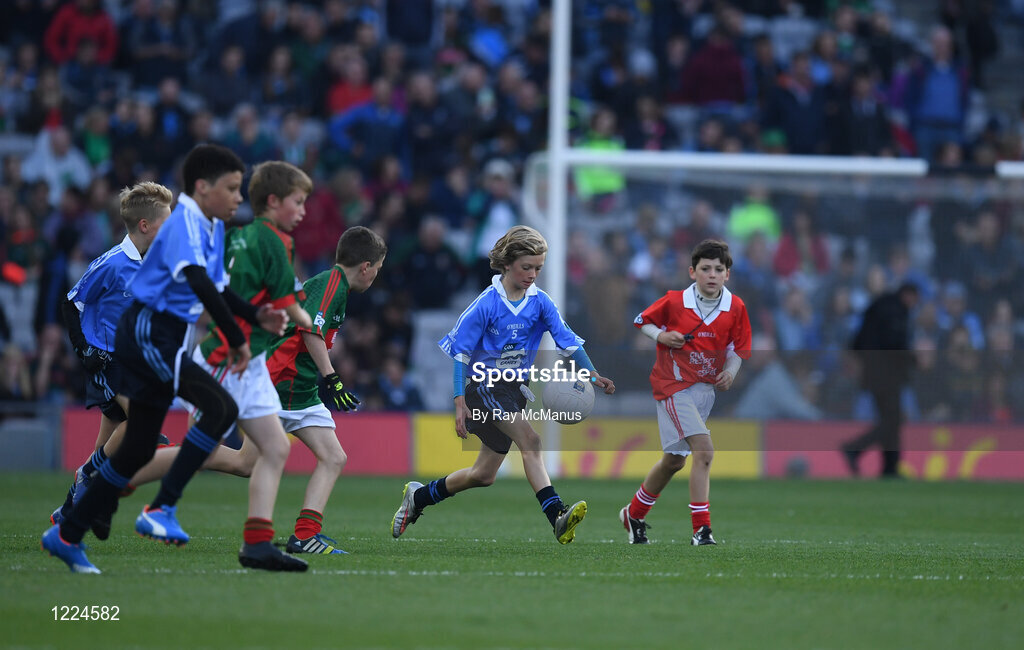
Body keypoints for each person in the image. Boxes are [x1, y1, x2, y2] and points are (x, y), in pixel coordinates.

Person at [41, 144, 289, 574]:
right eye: (231, 188)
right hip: (147, 334)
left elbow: (218, 289)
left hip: (163, 339)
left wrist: (254, 316)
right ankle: (161, 509)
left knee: (137, 446)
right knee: (220, 409)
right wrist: (236, 335)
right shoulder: (184, 226)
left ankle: (66, 532)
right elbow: (197, 282)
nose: (237, 197)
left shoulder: (208, 229)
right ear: (202, 187)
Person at [391, 225, 616, 544]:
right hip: (483, 389)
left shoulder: (540, 302)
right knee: (532, 440)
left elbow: (568, 341)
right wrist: (459, 401)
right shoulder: (486, 304)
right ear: (507, 263)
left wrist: (593, 374)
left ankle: (419, 498)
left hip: (513, 392)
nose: (533, 274)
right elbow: (461, 354)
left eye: (538, 268)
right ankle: (557, 517)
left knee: (482, 475)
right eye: (527, 267)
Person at [185, 160, 313, 571]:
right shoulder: (276, 242)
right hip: (229, 355)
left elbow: (233, 292)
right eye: (299, 201)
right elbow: (290, 305)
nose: (304, 210)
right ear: (274, 202)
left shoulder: (238, 235)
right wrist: (311, 324)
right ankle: (115, 478)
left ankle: (257, 544)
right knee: (199, 451)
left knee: (273, 449)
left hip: (245, 354)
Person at [49, 182, 173, 533]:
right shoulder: (113, 263)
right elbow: (72, 302)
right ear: (146, 226)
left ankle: (72, 508)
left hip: (134, 362)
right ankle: (94, 481)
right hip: (107, 360)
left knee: (109, 443)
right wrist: (84, 351)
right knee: (141, 428)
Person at [620, 239, 752, 546]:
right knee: (704, 452)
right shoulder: (676, 301)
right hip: (672, 386)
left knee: (674, 461)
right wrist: (663, 335)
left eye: (718, 269)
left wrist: (730, 372)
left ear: (727, 275)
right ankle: (701, 530)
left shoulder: (736, 307)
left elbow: (738, 349)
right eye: (705, 269)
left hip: (704, 391)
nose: (712, 274)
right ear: (692, 272)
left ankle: (634, 514)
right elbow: (642, 320)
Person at [265, 225, 387, 554]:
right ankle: (156, 458)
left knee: (333, 457)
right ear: (365, 267)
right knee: (245, 463)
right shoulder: (331, 284)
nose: (375, 277)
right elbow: (310, 329)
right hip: (282, 382)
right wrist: (332, 378)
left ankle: (305, 536)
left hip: (301, 388)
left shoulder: (335, 286)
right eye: (376, 270)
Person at [842, 282, 919, 478]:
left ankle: (889, 468)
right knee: (892, 421)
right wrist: (913, 359)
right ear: (908, 295)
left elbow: (857, 339)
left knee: (889, 420)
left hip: (873, 373)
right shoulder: (895, 311)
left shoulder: (879, 306)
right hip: (888, 375)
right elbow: (894, 343)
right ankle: (854, 448)